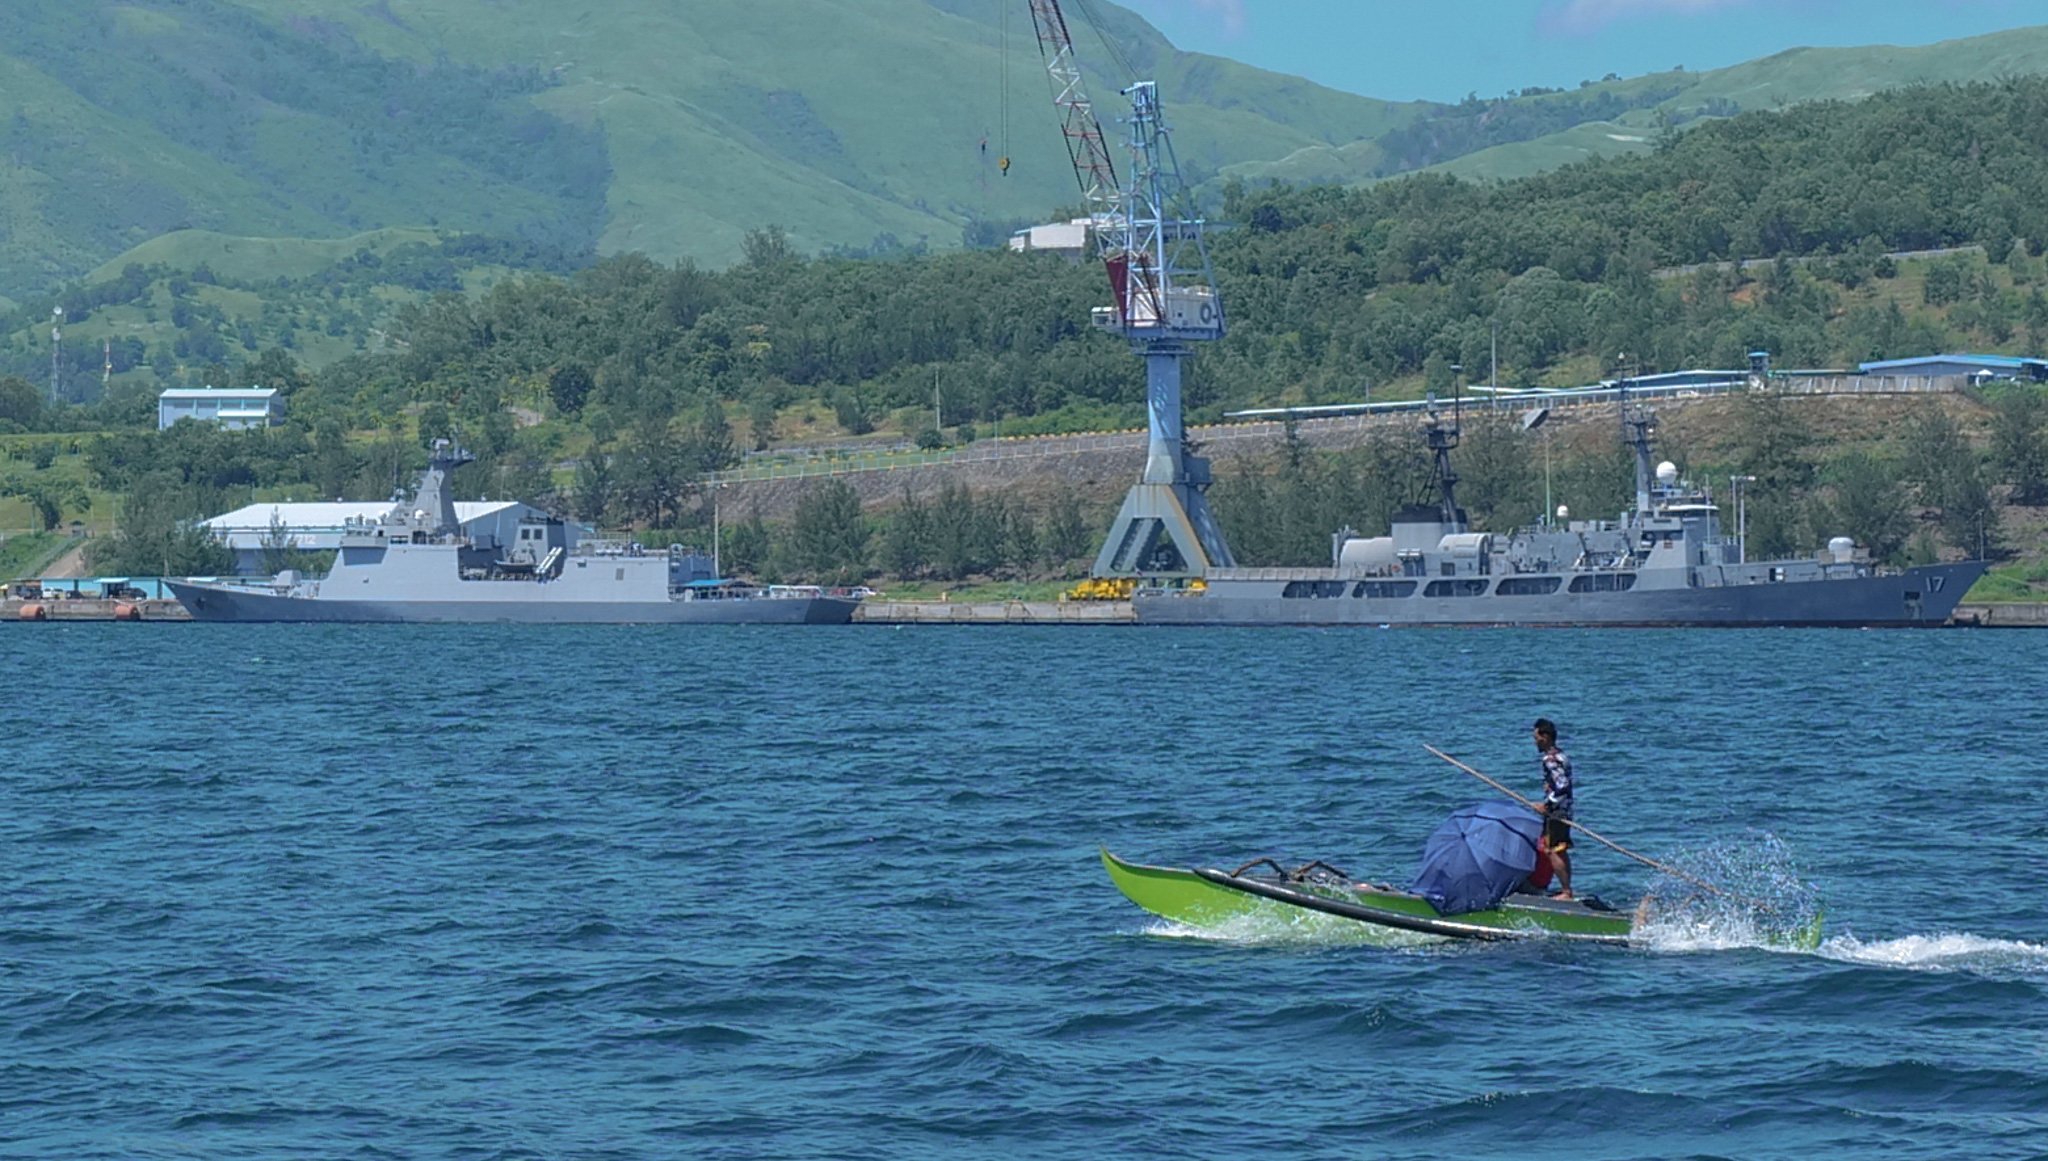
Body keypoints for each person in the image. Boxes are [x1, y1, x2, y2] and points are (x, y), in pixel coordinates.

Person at [1531, 717, 1574, 900]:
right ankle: (1557, 887)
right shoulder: (1561, 755)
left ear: (1545, 736)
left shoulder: (1550, 759)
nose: (1535, 741)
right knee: (1551, 848)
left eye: (1537, 737)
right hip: (1564, 808)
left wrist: (1546, 805)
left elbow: (1562, 786)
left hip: (1557, 811)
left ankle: (1566, 891)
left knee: (1555, 850)